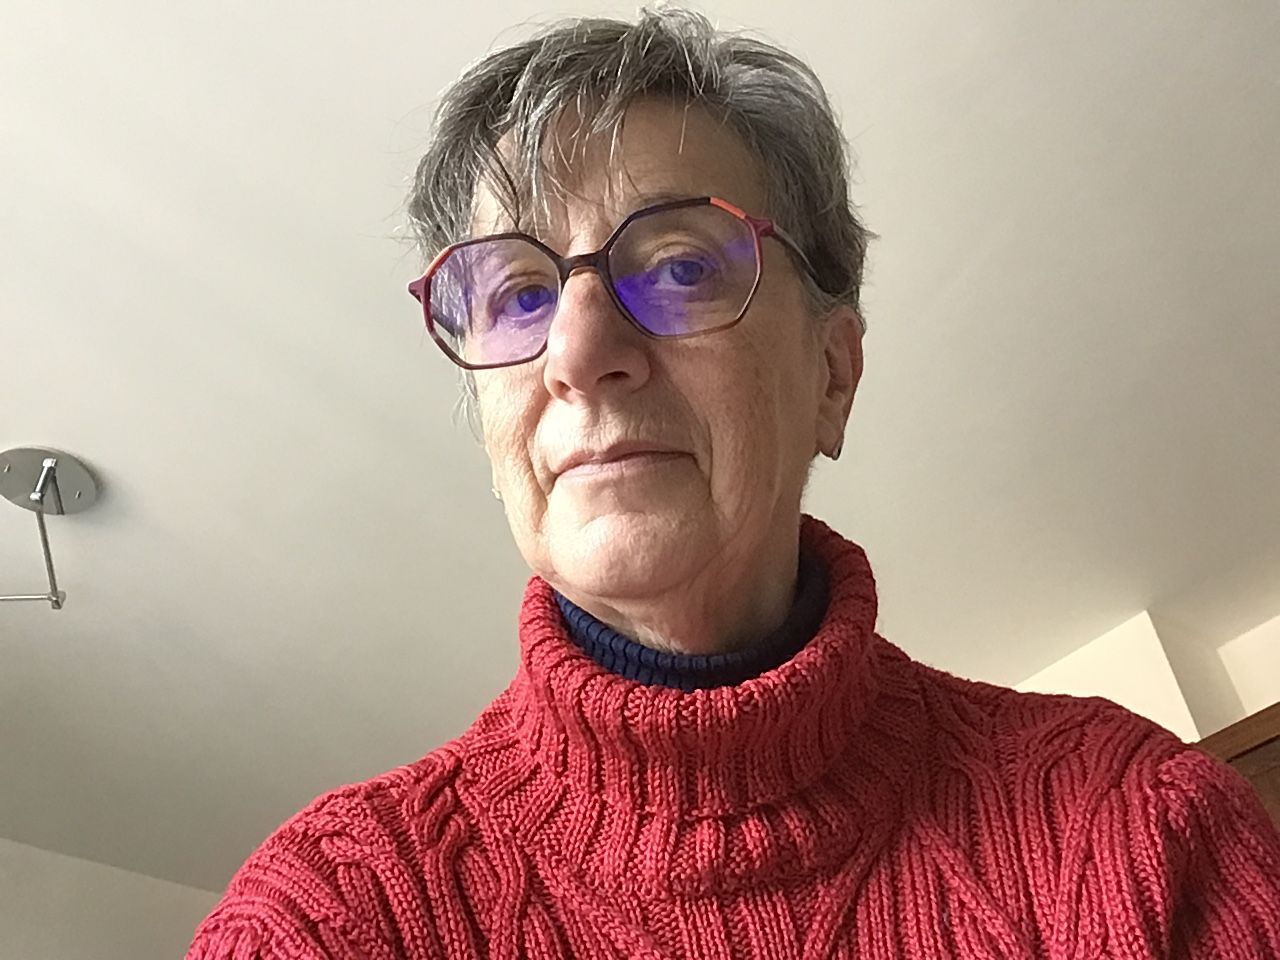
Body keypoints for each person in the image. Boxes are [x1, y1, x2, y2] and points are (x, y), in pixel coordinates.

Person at [188, 9, 1280, 959]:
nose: (577, 351)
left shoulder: (1146, 835)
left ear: (831, 376)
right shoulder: (323, 920)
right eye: (516, 294)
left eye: (679, 266)